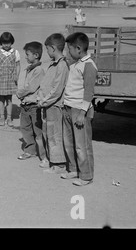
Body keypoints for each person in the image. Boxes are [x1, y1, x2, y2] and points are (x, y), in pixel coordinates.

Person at [61, 32, 98, 186]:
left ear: (78, 48)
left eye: (69, 49)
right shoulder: (75, 63)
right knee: (69, 142)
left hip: (79, 111)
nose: (68, 53)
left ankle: (86, 175)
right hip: (68, 107)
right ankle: (73, 169)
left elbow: (89, 92)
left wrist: (83, 113)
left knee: (82, 145)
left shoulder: (89, 66)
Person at [37, 34, 70, 174]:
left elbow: (57, 90)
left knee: (55, 134)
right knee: (48, 133)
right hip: (47, 105)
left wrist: (44, 101)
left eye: (47, 49)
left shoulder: (62, 65)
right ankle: (52, 160)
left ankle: (59, 164)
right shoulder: (53, 63)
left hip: (54, 106)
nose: (47, 52)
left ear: (53, 48)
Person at [16, 42, 47, 166]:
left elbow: (31, 87)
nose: (25, 57)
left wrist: (19, 93)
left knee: (38, 131)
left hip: (34, 105)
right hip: (25, 105)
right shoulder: (29, 68)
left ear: (36, 55)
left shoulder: (39, 70)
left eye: (27, 54)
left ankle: (44, 156)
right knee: (25, 129)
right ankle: (30, 151)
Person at [0, 32, 21, 127]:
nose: (6, 45)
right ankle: (2, 117)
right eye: (4, 43)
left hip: (10, 79)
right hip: (1, 78)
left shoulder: (15, 52)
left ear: (11, 42)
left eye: (8, 43)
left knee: (9, 99)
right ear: (1, 43)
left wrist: (17, 75)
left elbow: (18, 65)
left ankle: (9, 117)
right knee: (1, 99)